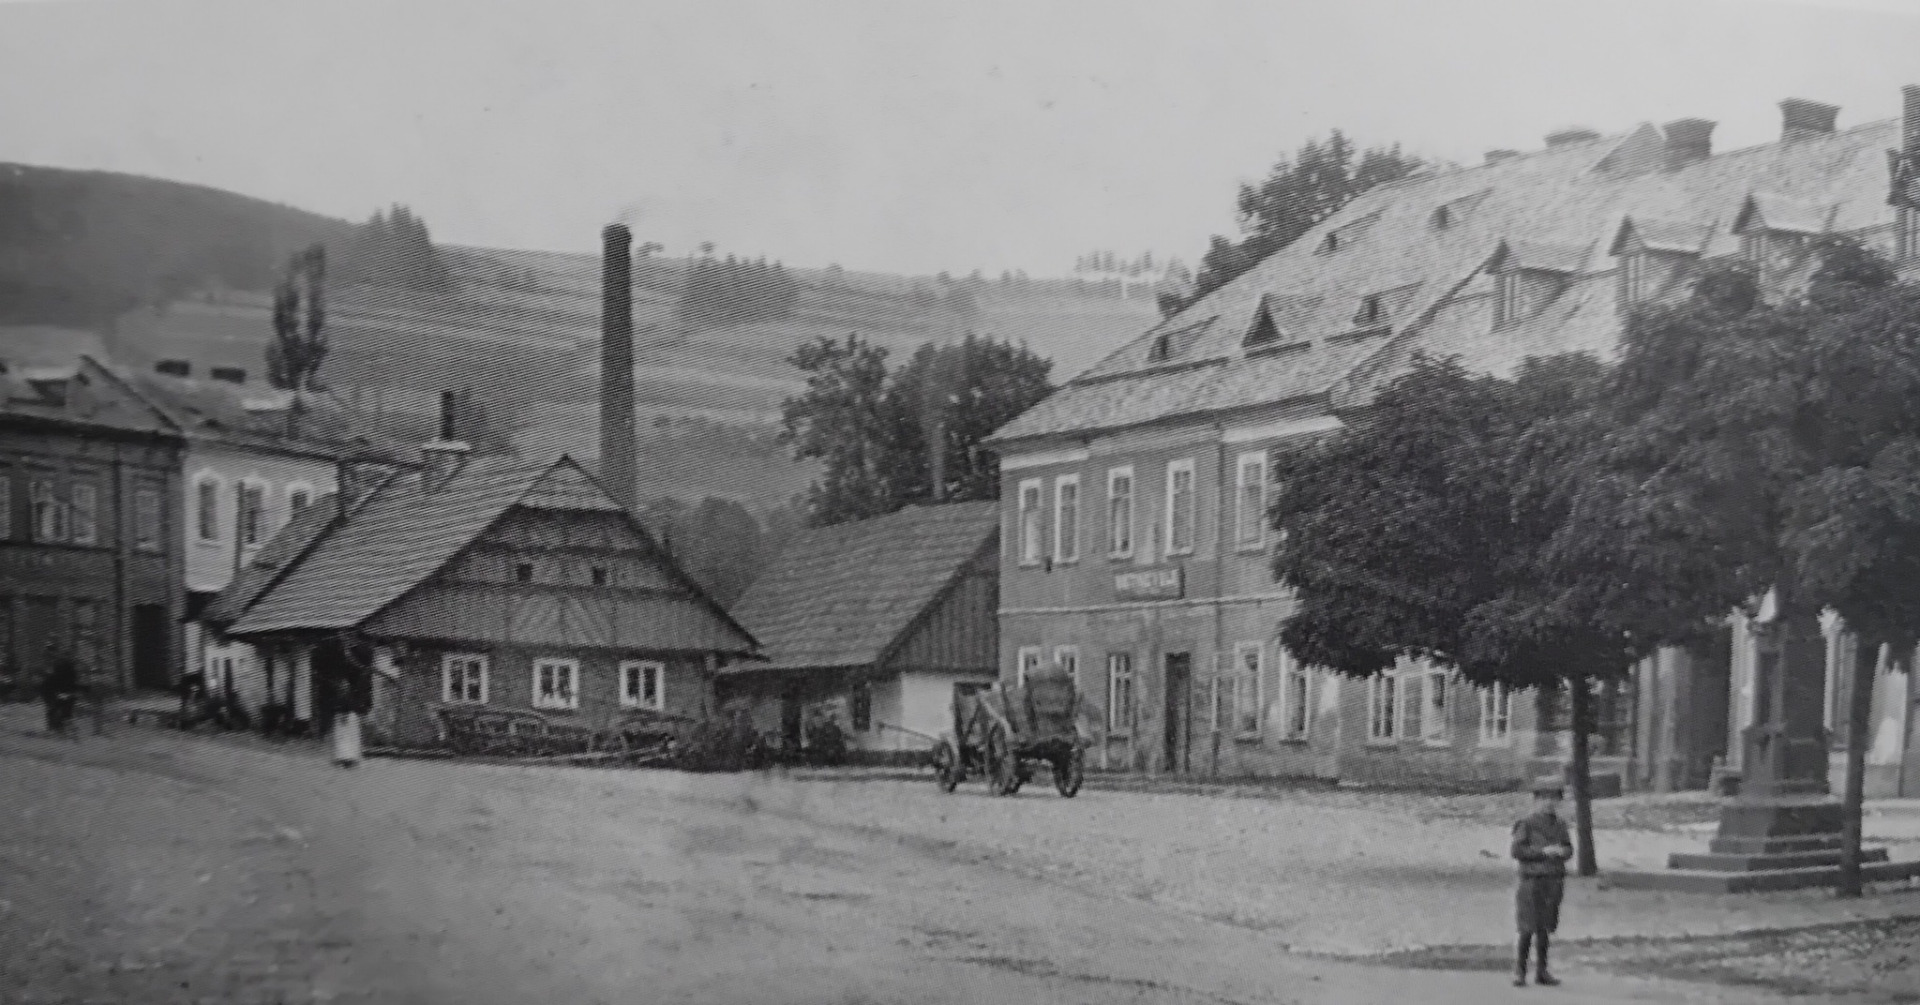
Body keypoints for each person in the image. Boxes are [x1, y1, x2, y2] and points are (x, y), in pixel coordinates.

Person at [1511, 781, 1574, 987]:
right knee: (1527, 927)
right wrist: (1542, 853)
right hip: (1531, 880)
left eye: (1553, 799)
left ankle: (1542, 970)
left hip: (1553, 880)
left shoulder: (1560, 825)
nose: (1549, 803)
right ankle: (1520, 971)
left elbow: (1568, 848)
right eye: (1544, 799)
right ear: (1536, 801)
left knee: (1545, 927)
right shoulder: (1526, 823)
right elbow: (1517, 851)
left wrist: (1562, 852)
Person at [38, 642, 79, 737]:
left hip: (60, 690)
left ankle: (59, 729)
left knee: (59, 709)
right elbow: (52, 678)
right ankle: (56, 729)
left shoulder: (64, 664)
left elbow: (71, 679)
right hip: (53, 690)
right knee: (55, 709)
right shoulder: (57, 663)